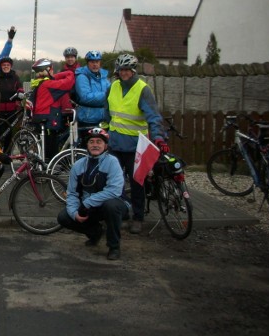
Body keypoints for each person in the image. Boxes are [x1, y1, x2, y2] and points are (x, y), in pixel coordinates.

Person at [104, 54, 168, 235]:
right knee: (114, 182)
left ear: (133, 71)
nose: (124, 73)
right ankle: (121, 213)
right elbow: (106, 111)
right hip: (115, 144)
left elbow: (154, 117)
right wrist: (105, 130)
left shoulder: (142, 89)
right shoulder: (113, 87)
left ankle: (138, 217)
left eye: (127, 70)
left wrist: (158, 137)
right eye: (121, 70)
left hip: (134, 146)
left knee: (137, 182)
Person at [56, 127, 128, 261]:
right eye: (91, 142)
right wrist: (74, 212)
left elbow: (115, 190)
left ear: (105, 145)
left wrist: (87, 203)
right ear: (87, 145)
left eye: (99, 142)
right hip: (88, 208)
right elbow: (72, 193)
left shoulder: (112, 162)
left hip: (114, 203)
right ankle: (95, 233)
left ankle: (114, 246)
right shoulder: (78, 165)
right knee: (63, 217)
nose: (95, 145)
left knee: (111, 206)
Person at [29, 58, 75, 160]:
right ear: (48, 70)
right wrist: (69, 72)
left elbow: (54, 78)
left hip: (40, 118)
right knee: (51, 150)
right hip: (48, 119)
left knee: (45, 147)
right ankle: (49, 170)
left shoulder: (39, 82)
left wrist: (55, 75)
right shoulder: (48, 85)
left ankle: (46, 168)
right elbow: (68, 83)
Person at [74, 50, 111, 146]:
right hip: (88, 118)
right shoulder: (82, 77)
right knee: (87, 147)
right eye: (92, 62)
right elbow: (85, 97)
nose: (95, 64)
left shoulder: (103, 76)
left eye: (97, 62)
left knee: (103, 146)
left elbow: (112, 92)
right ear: (87, 63)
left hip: (103, 118)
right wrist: (106, 95)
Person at [0, 56, 24, 149]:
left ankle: (7, 151)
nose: (6, 66)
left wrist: (20, 93)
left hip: (12, 110)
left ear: (10, 66)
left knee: (10, 132)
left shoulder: (15, 77)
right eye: (4, 65)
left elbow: (20, 87)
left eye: (8, 65)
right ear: (1, 66)